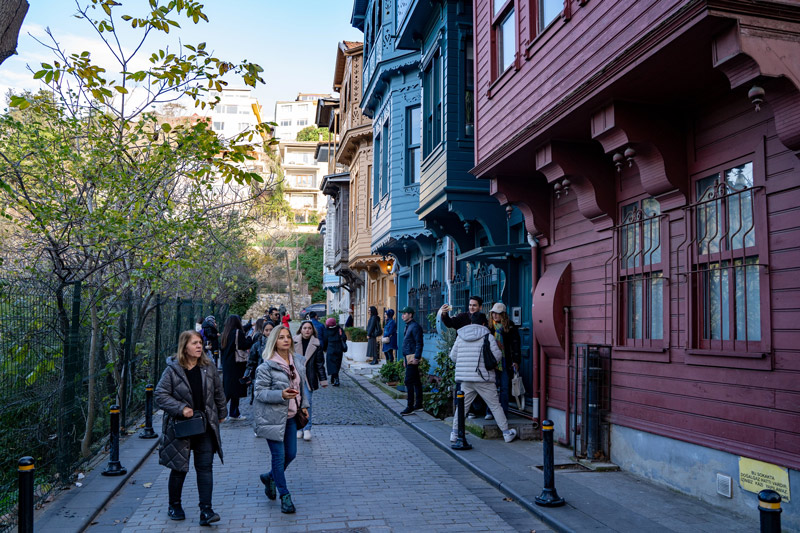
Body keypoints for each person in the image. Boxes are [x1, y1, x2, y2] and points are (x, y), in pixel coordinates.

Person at [155, 330, 226, 526]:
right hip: (181, 426)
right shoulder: (173, 370)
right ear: (184, 346)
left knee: (205, 468)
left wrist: (221, 413)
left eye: (200, 343)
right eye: (194, 343)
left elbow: (218, 391)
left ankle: (206, 510)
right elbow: (160, 395)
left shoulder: (208, 367)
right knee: (179, 468)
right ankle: (174, 505)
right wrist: (181, 408)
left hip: (204, 425)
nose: (199, 346)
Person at [253, 325, 310, 514]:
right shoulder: (266, 366)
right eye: (281, 337)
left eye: (288, 337)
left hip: (292, 417)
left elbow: (303, 388)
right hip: (273, 419)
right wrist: (281, 395)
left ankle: (270, 477)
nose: (285, 340)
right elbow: (259, 393)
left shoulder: (297, 362)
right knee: (278, 457)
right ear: (274, 342)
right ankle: (285, 495)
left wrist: (304, 406)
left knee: (291, 454)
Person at [449, 312, 517, 443]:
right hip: (484, 378)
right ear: (484, 323)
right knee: (495, 406)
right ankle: (506, 433)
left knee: (462, 407)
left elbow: (453, 356)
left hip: (466, 379)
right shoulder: (487, 336)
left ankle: (454, 433)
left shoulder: (461, 336)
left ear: (470, 322)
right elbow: (497, 356)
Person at [293, 320, 327, 441]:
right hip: (294, 378)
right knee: (295, 403)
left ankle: (307, 428)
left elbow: (319, 364)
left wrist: (323, 379)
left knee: (307, 404)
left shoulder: (317, 344)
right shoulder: (293, 342)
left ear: (313, 330)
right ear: (300, 329)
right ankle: (298, 428)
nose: (307, 330)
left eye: (309, 328)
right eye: (305, 328)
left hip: (309, 378)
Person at [219, 315, 254, 420]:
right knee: (232, 390)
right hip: (236, 364)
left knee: (230, 389)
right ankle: (223, 412)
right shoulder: (237, 333)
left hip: (227, 364)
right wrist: (249, 337)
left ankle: (234, 412)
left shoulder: (225, 334)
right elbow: (244, 345)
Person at [489, 303, 522, 416]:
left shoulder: (510, 327)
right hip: (492, 361)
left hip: (504, 360)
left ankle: (503, 412)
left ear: (503, 315)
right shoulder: (489, 327)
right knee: (491, 388)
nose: (495, 315)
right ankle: (490, 412)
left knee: (504, 386)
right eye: (493, 313)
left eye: (498, 313)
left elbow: (515, 344)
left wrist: (516, 360)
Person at [399, 306, 424, 416]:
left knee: (408, 381)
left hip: (413, 357)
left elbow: (419, 343)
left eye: (405, 313)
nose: (402, 315)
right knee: (416, 381)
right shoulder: (408, 326)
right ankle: (418, 404)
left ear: (410, 314)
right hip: (409, 357)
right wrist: (405, 359)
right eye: (402, 313)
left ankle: (410, 406)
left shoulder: (415, 327)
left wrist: (416, 357)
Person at [241, 320, 275, 387]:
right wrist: (246, 375)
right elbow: (251, 362)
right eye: (266, 330)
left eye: (271, 330)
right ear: (263, 331)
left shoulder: (279, 344)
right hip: (260, 375)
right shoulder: (257, 345)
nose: (269, 332)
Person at [323, 317, 347, 386]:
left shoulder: (327, 330)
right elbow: (344, 337)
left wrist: (324, 348)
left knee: (331, 364)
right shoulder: (339, 329)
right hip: (339, 349)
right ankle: (334, 377)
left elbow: (325, 340)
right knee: (337, 364)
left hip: (330, 348)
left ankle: (336, 379)